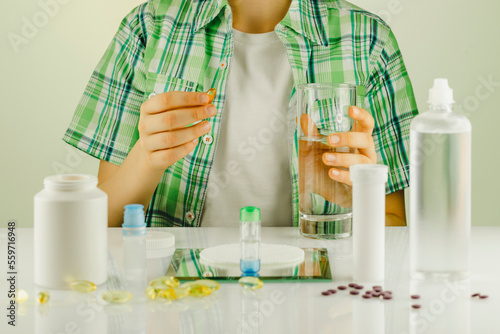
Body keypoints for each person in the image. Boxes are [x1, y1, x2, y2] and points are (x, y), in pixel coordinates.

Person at [63, 0, 418, 228]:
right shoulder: (148, 28)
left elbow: (396, 228)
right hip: (173, 301)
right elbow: (104, 224)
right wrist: (146, 159)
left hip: (316, 305)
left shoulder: (368, 41)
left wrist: (360, 198)